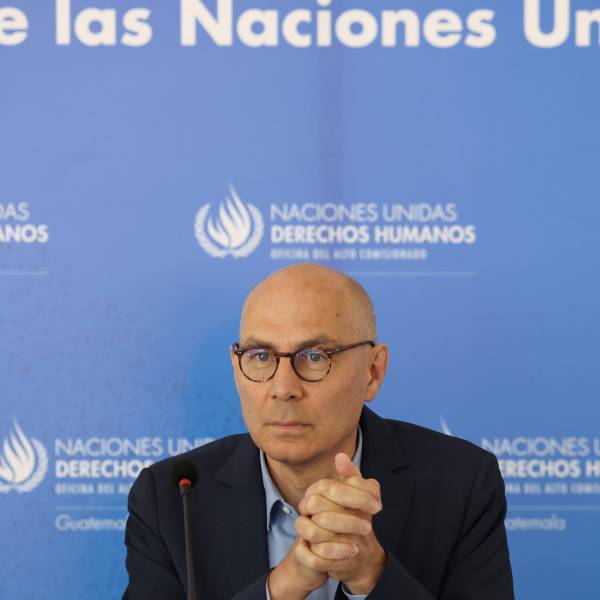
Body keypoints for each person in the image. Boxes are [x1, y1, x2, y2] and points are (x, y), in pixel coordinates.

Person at [123, 263, 515, 599]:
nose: (283, 388)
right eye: (260, 356)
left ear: (373, 372)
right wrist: (282, 587)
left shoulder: (461, 484)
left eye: (315, 357)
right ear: (235, 367)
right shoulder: (172, 497)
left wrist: (372, 574)